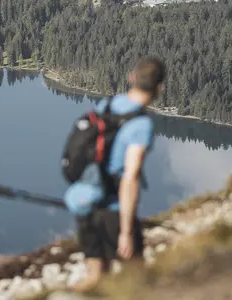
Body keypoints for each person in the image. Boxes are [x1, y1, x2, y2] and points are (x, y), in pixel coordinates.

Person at [68, 57, 165, 292]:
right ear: (160, 87)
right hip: (111, 209)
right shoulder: (141, 125)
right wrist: (126, 231)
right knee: (140, 281)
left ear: (131, 78)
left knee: (96, 277)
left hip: (84, 202)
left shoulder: (108, 105)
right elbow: (129, 177)